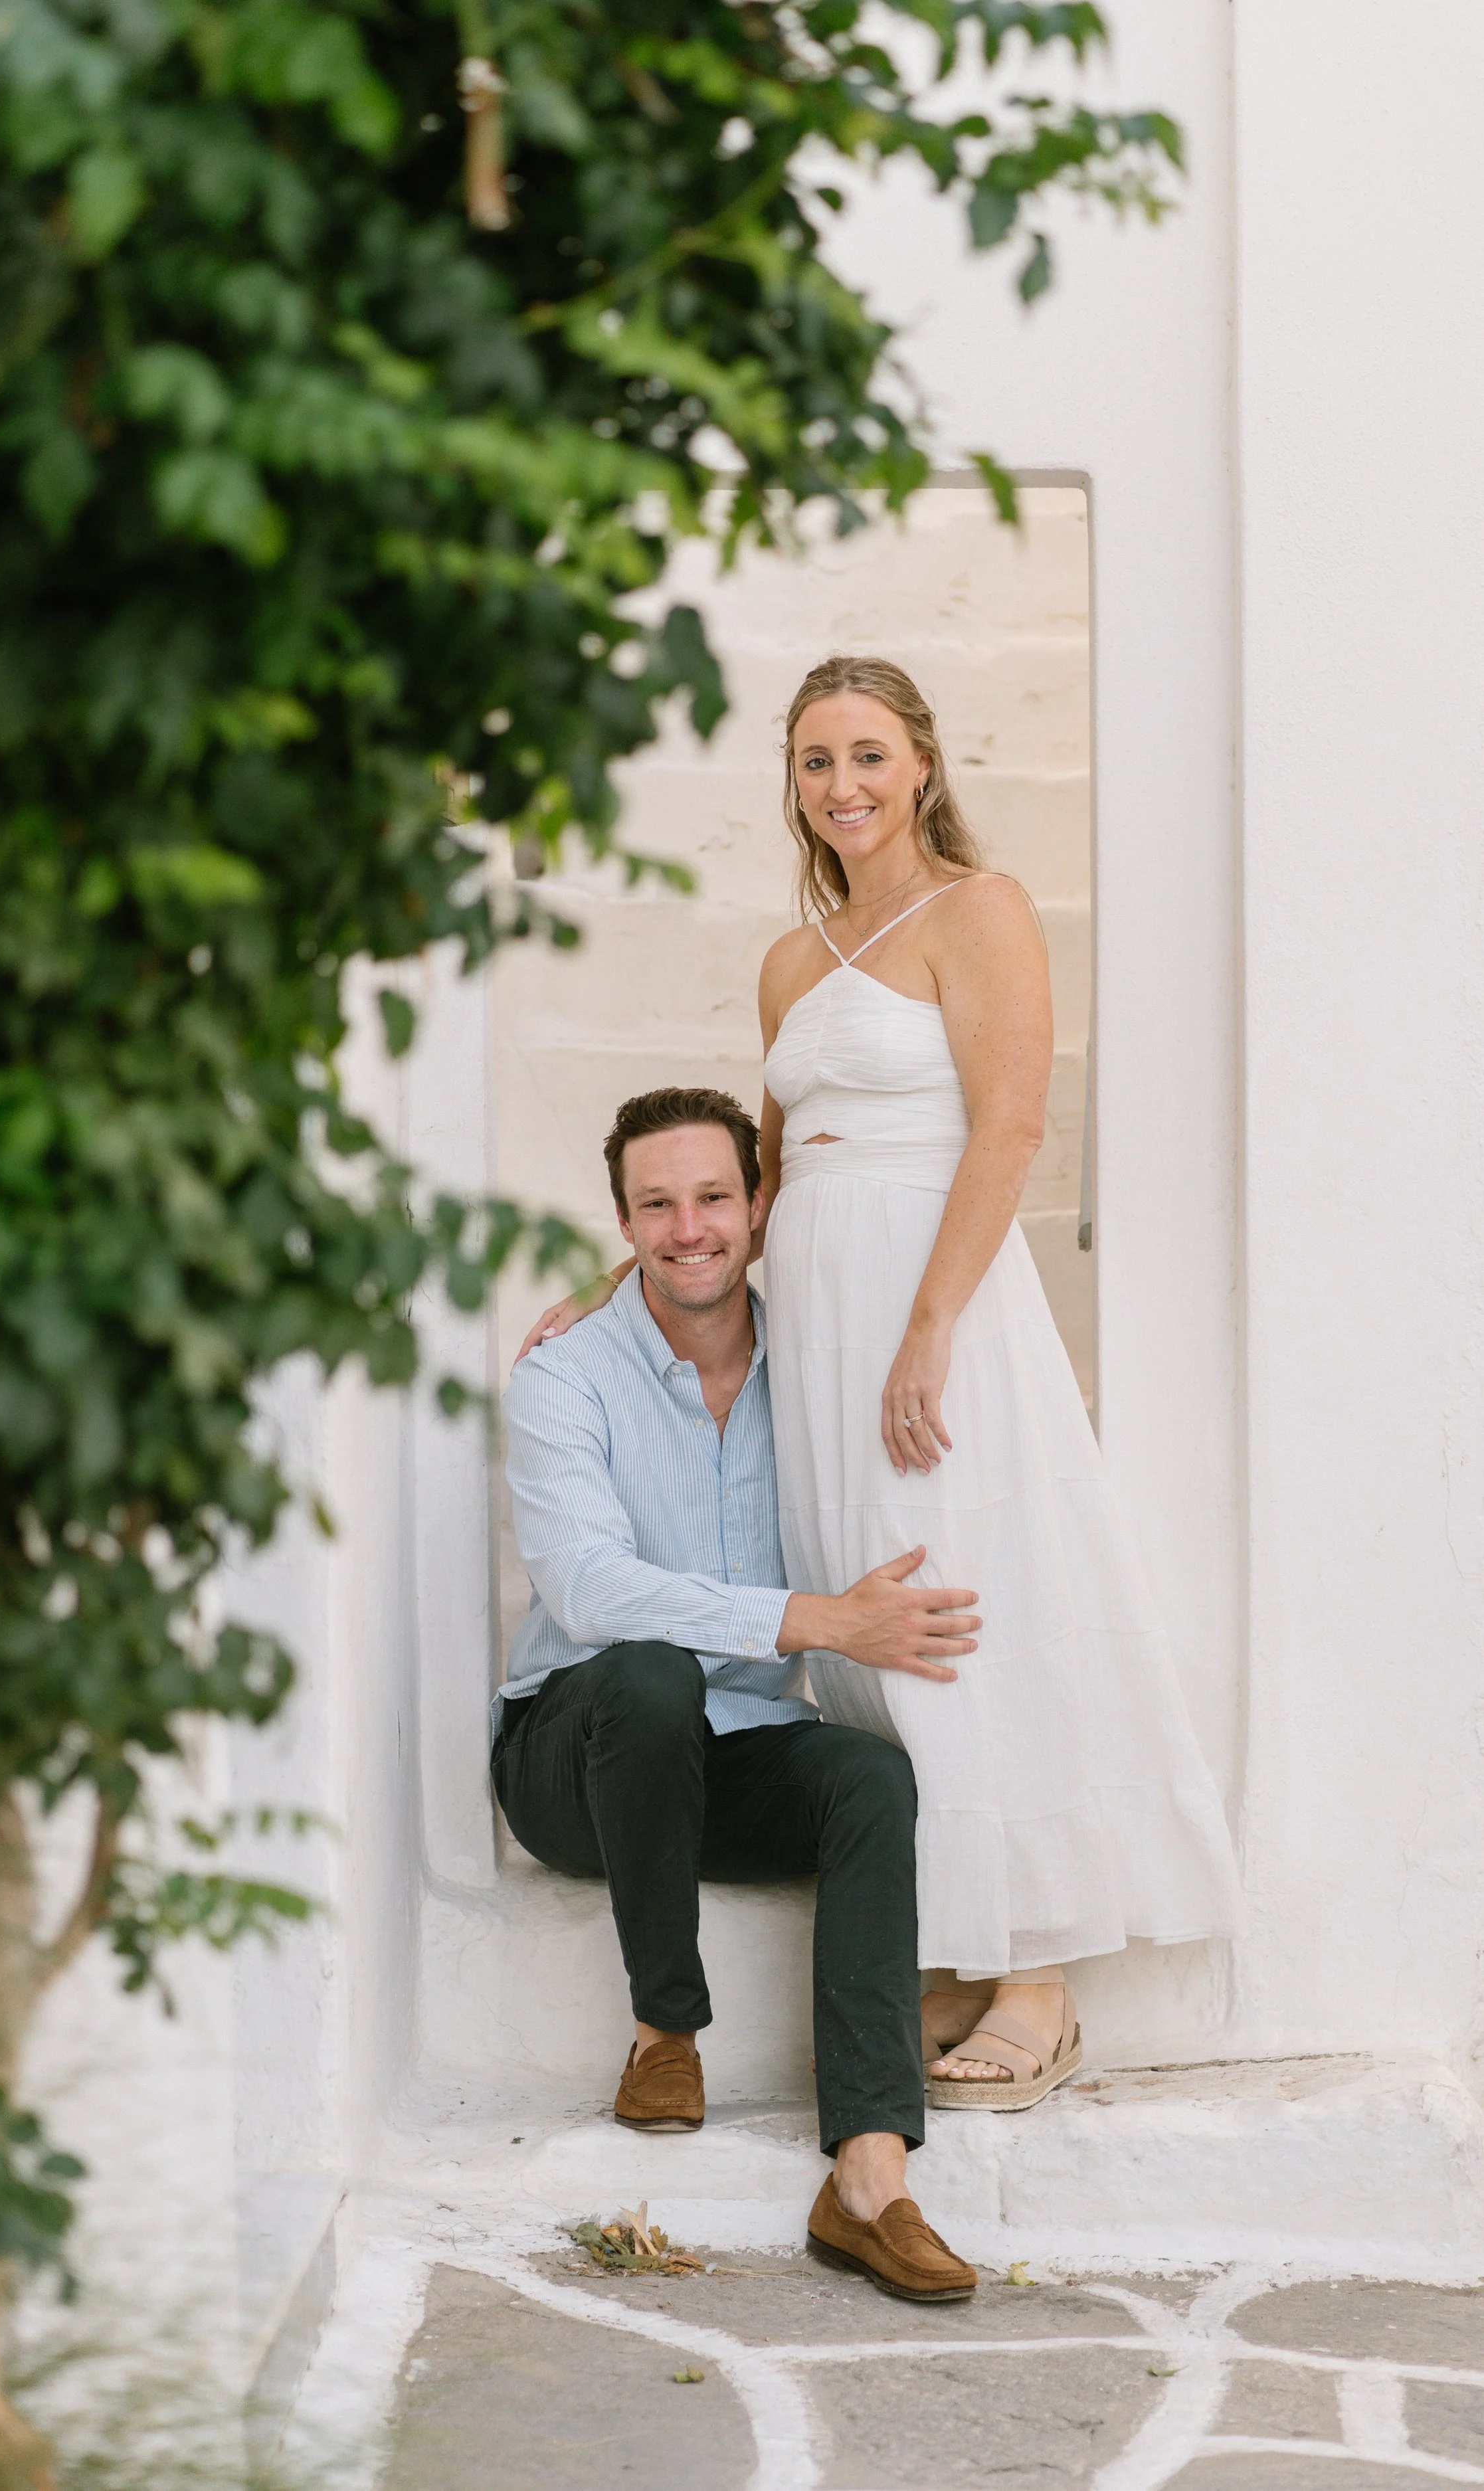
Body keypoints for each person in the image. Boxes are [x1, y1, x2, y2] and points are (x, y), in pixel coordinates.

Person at [520, 654, 1244, 2108]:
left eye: (863, 755)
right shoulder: (792, 961)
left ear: (918, 761)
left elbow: (1010, 1126)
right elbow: (770, 1170)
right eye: (810, 763)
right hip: (829, 1306)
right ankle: (944, 1935)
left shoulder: (976, 913)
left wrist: (927, 1327)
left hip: (938, 1298)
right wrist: (626, 1280)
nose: (839, 787)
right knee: (867, 1608)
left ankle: (1034, 1972)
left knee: (978, 1589)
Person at [496, 1087, 980, 2298]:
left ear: (760, 1208)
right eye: (655, 1204)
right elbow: (595, 1593)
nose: (688, 1226)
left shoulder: (810, 1369)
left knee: (870, 1776)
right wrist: (822, 1621)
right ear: (623, 1221)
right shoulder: (565, 1374)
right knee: (652, 1671)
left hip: (732, 1747)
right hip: (577, 1752)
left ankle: (869, 2174)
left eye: (714, 1196)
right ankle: (667, 2029)